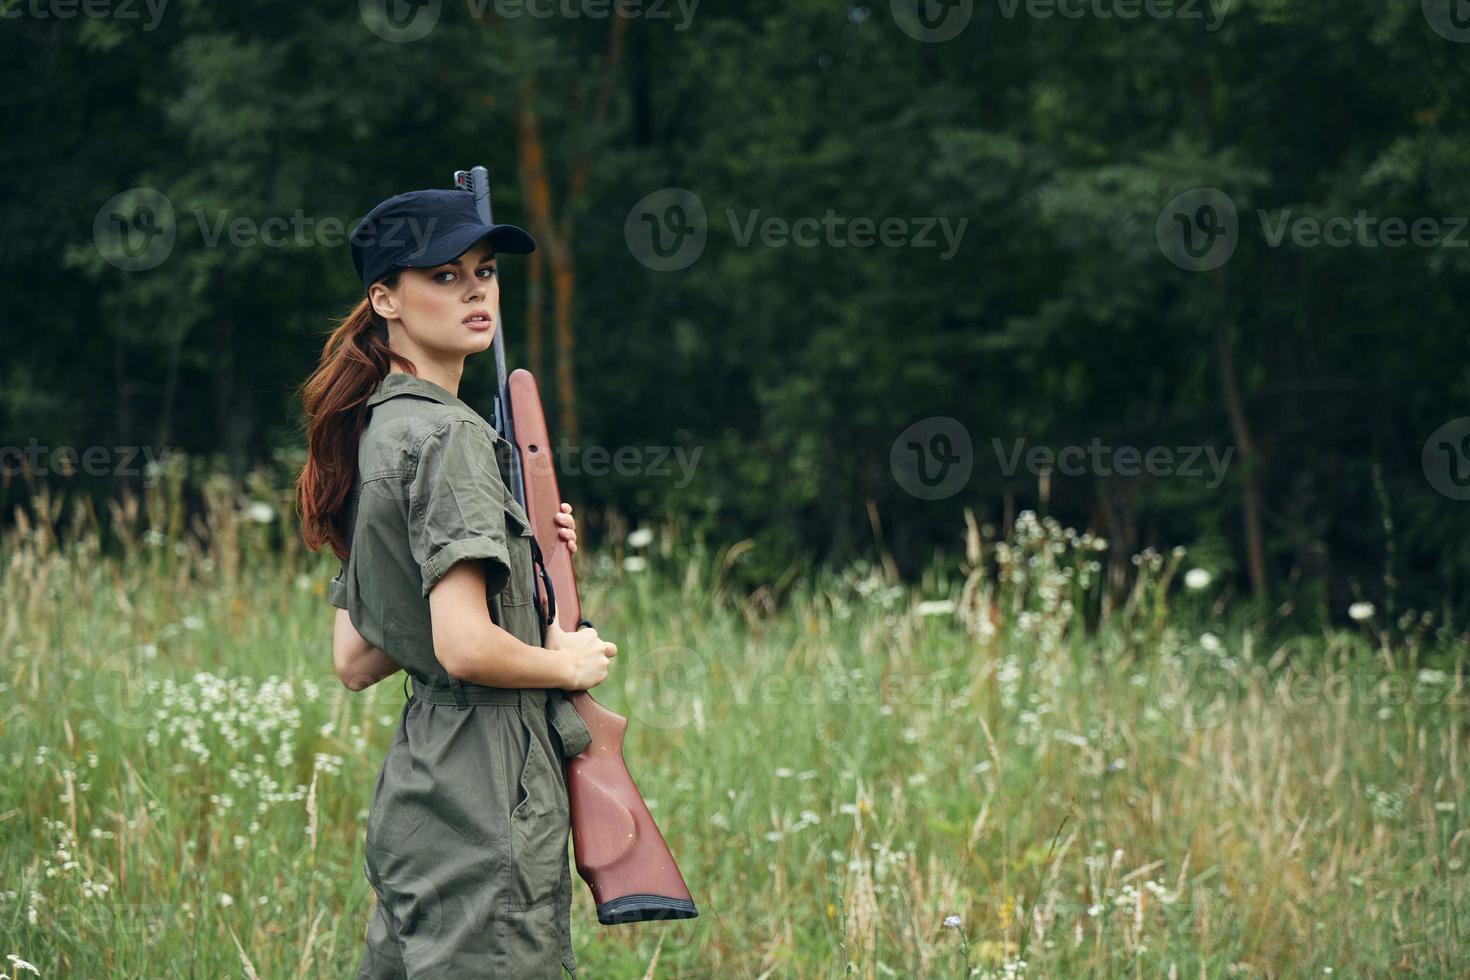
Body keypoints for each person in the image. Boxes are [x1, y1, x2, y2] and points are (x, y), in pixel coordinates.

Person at [294, 186, 618, 978]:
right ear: (385, 299)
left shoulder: (380, 427)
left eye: (484, 271)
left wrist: (525, 554)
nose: (475, 290)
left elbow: (358, 658)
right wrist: (567, 662)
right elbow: (464, 646)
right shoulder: (451, 439)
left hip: (422, 795)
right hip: (488, 795)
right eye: (443, 276)